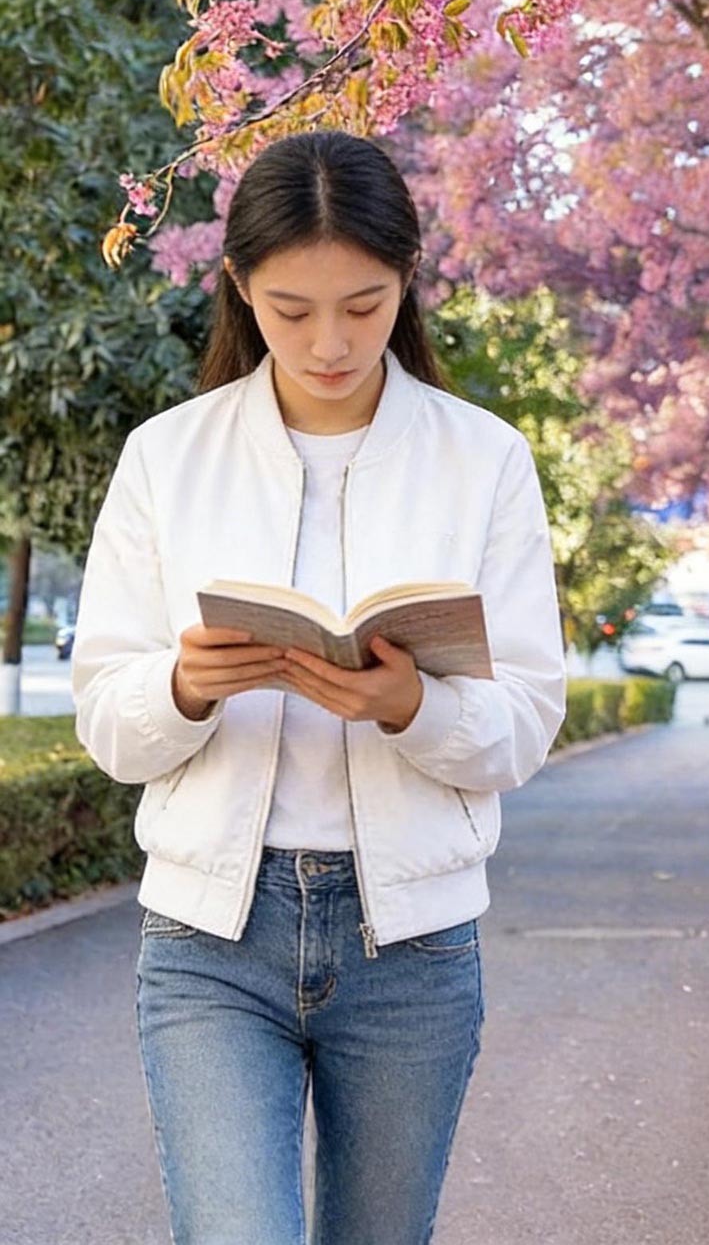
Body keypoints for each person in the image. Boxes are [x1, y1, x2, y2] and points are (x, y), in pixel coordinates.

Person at [72, 131, 567, 1245]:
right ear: (242, 287)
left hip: (413, 946)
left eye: (365, 302)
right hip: (210, 933)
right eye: (291, 309)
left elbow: (526, 723)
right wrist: (182, 688)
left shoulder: (482, 458)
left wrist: (411, 707)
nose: (331, 341)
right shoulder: (167, 455)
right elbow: (108, 714)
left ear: (407, 280)